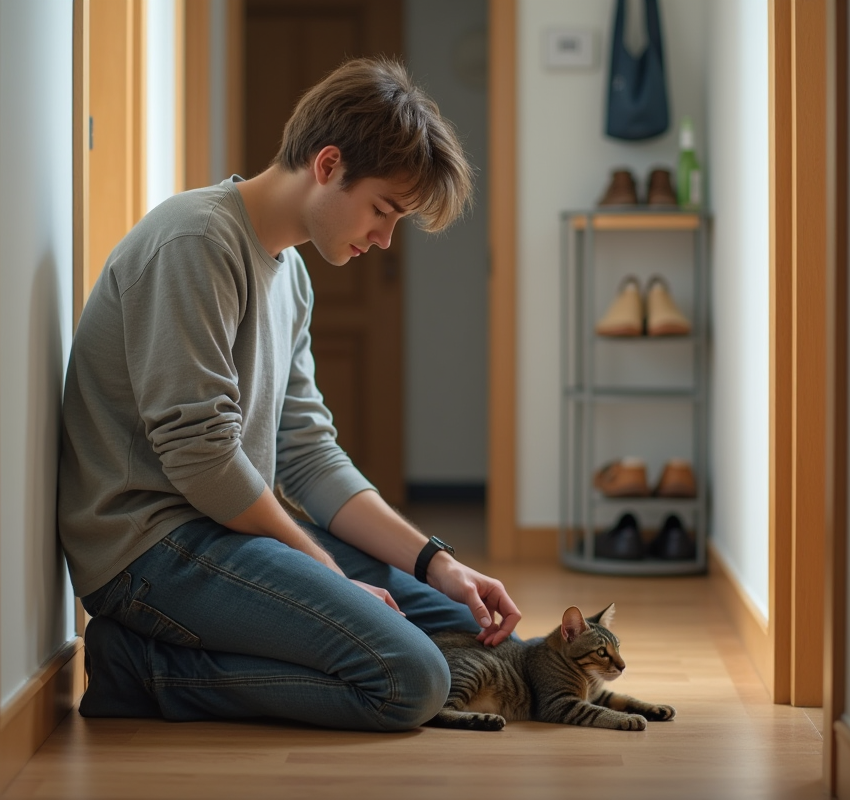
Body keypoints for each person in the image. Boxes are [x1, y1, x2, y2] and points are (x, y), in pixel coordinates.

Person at [57, 57, 521, 732]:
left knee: (457, 619)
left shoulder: (292, 277)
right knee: (412, 680)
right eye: (383, 212)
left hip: (222, 529)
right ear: (328, 165)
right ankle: (139, 667)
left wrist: (436, 561)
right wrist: (328, 573)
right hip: (150, 549)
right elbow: (203, 458)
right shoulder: (196, 241)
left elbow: (307, 454)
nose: (385, 240)